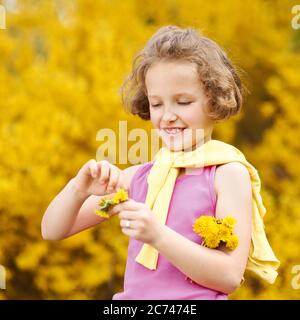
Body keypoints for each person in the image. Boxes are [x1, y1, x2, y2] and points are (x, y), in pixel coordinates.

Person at [41, 25, 279, 300]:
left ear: (214, 102)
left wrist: (157, 235)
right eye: (156, 104)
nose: (167, 116)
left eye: (183, 102)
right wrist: (77, 189)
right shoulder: (137, 178)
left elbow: (228, 276)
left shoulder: (227, 175)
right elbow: (53, 230)